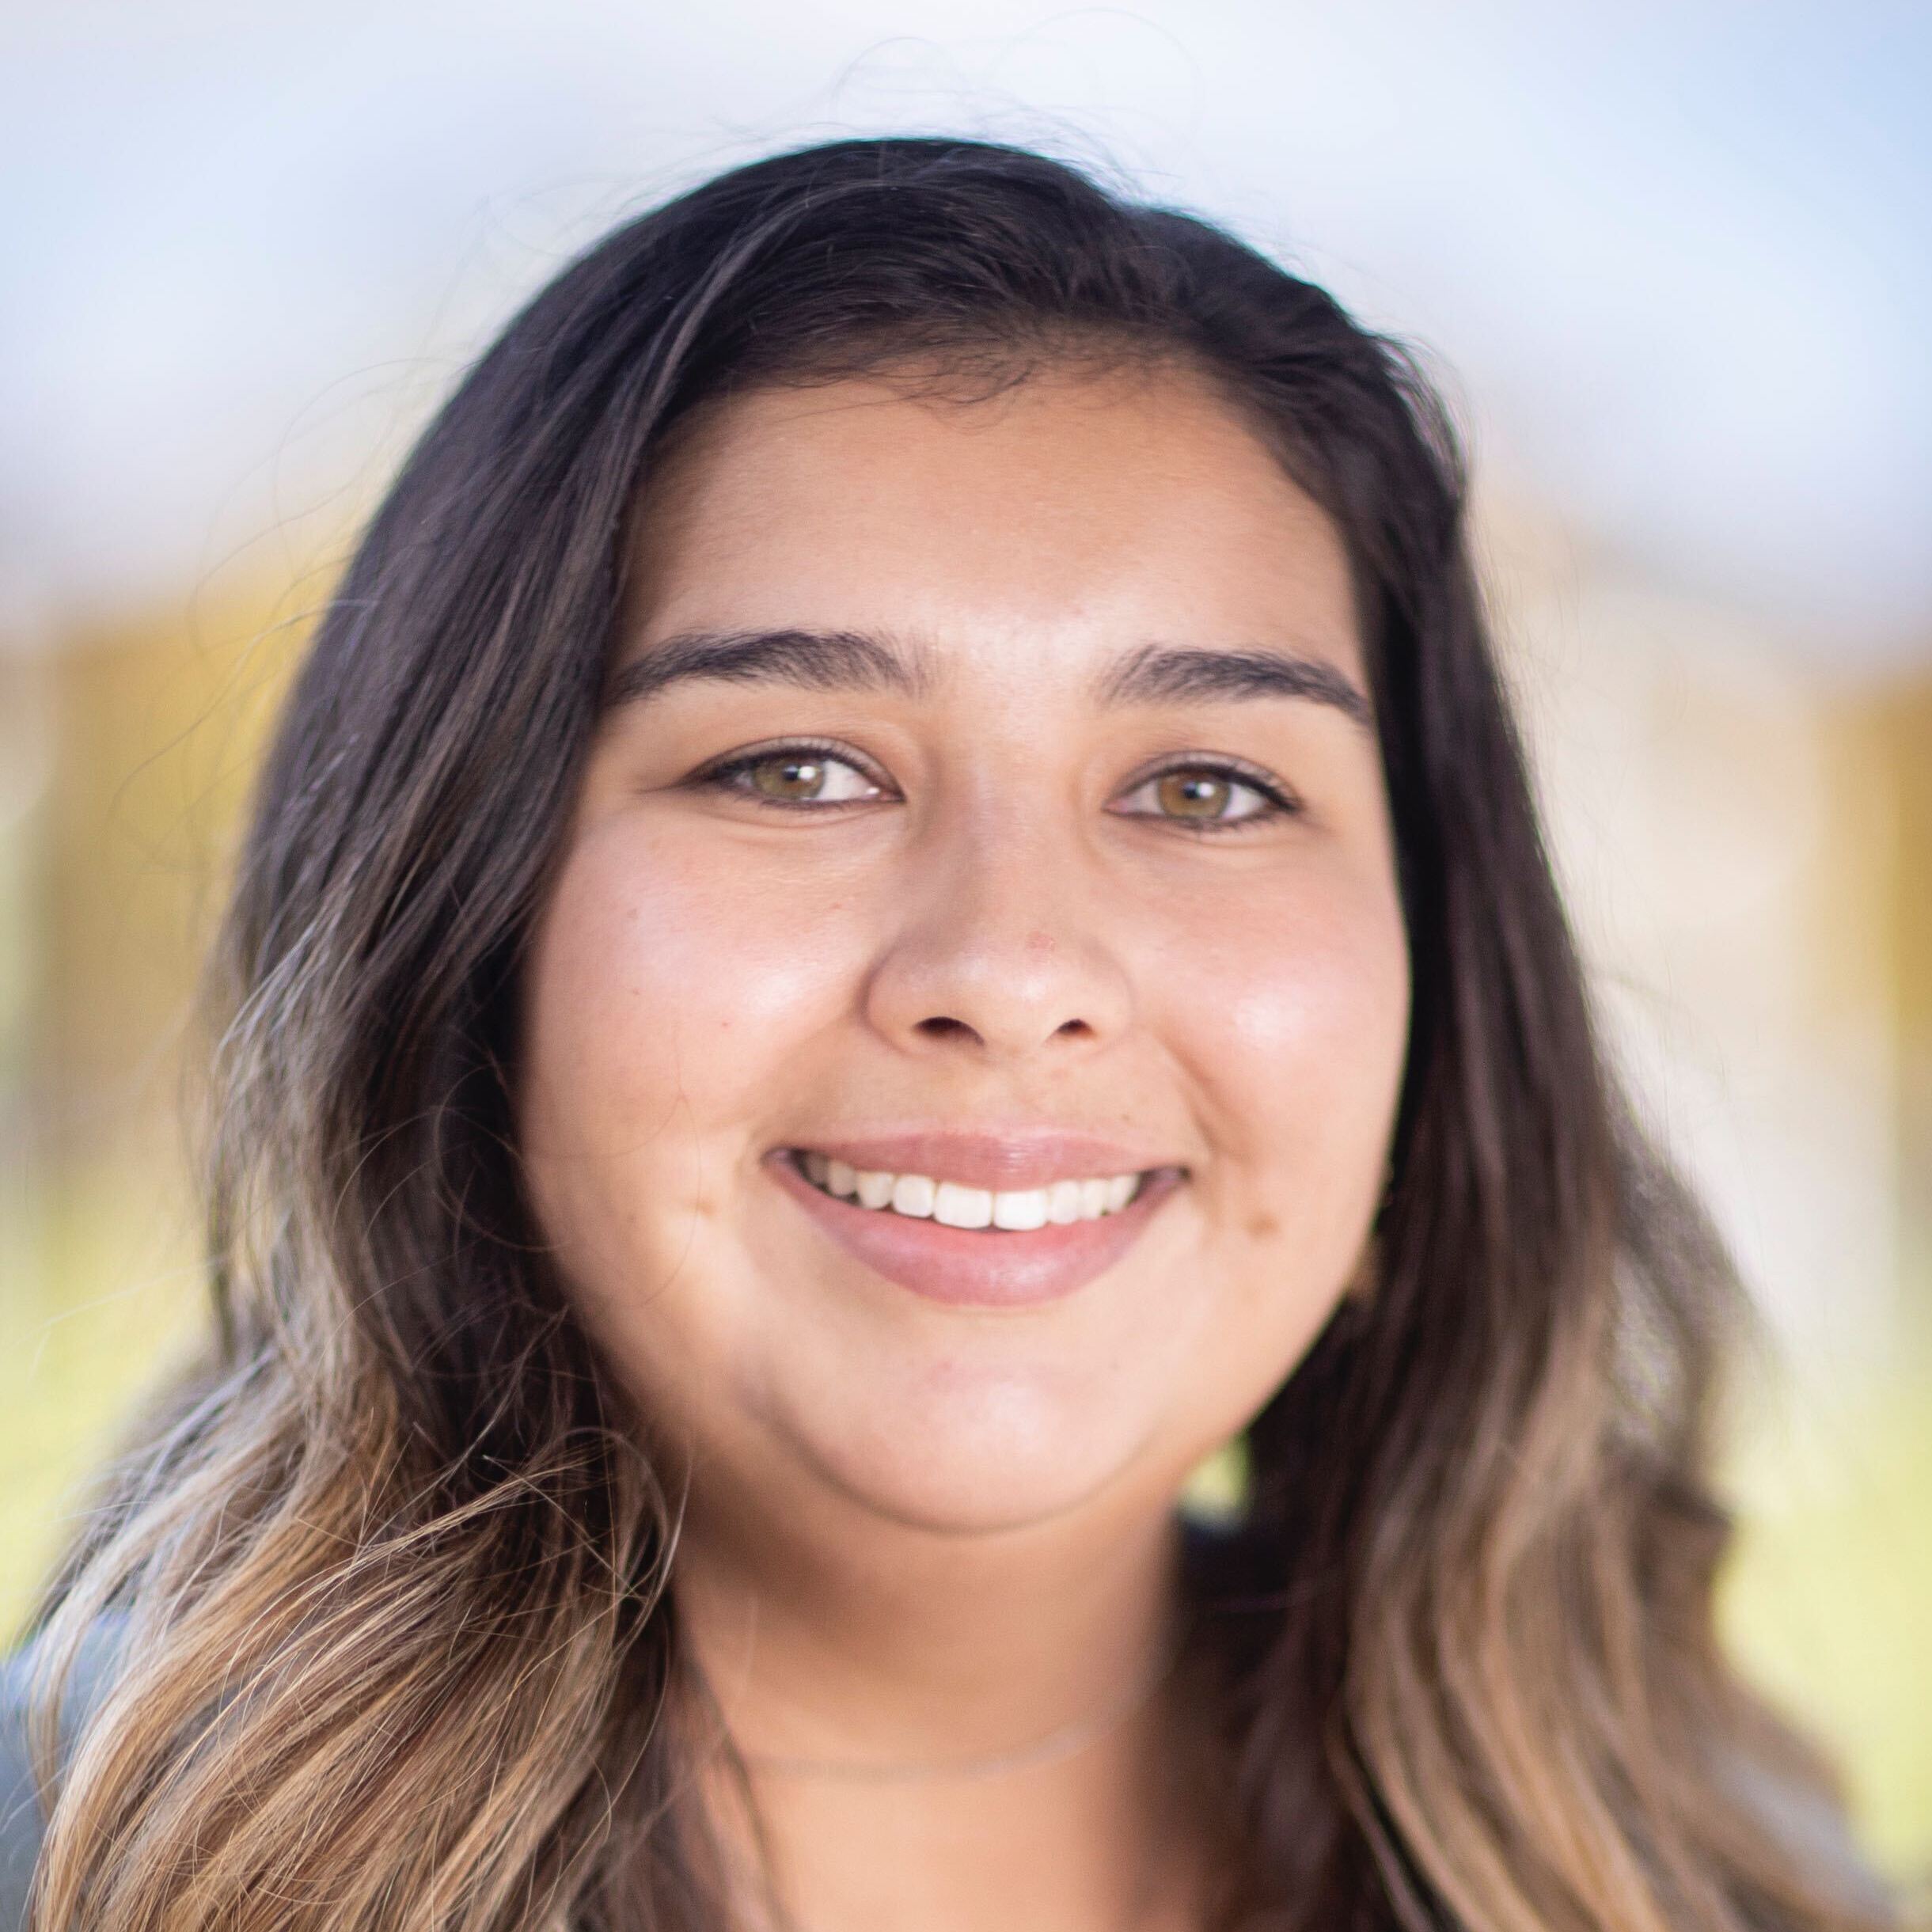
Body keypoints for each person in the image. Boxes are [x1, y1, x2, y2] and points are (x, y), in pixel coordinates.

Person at [0, 136, 1896, 1932]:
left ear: (1441, 981)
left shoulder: (1733, 1881)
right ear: (464, 926)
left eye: (1209, 788)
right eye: (797, 766)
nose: (1009, 963)